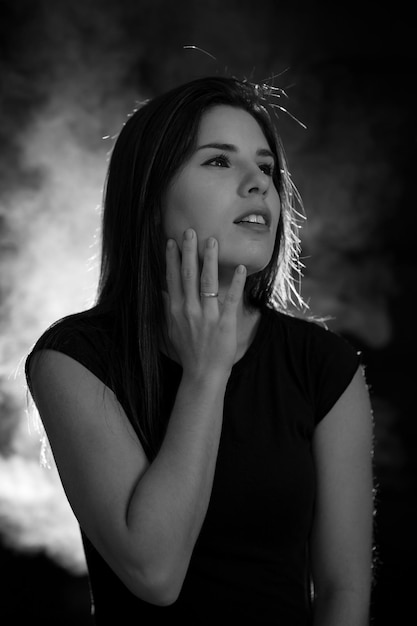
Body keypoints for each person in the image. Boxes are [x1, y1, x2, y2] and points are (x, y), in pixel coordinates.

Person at [25, 75, 374, 625]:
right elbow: (154, 573)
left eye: (267, 167)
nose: (259, 183)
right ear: (150, 193)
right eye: (218, 161)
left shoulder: (324, 366)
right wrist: (205, 375)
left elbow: (343, 591)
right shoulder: (72, 360)